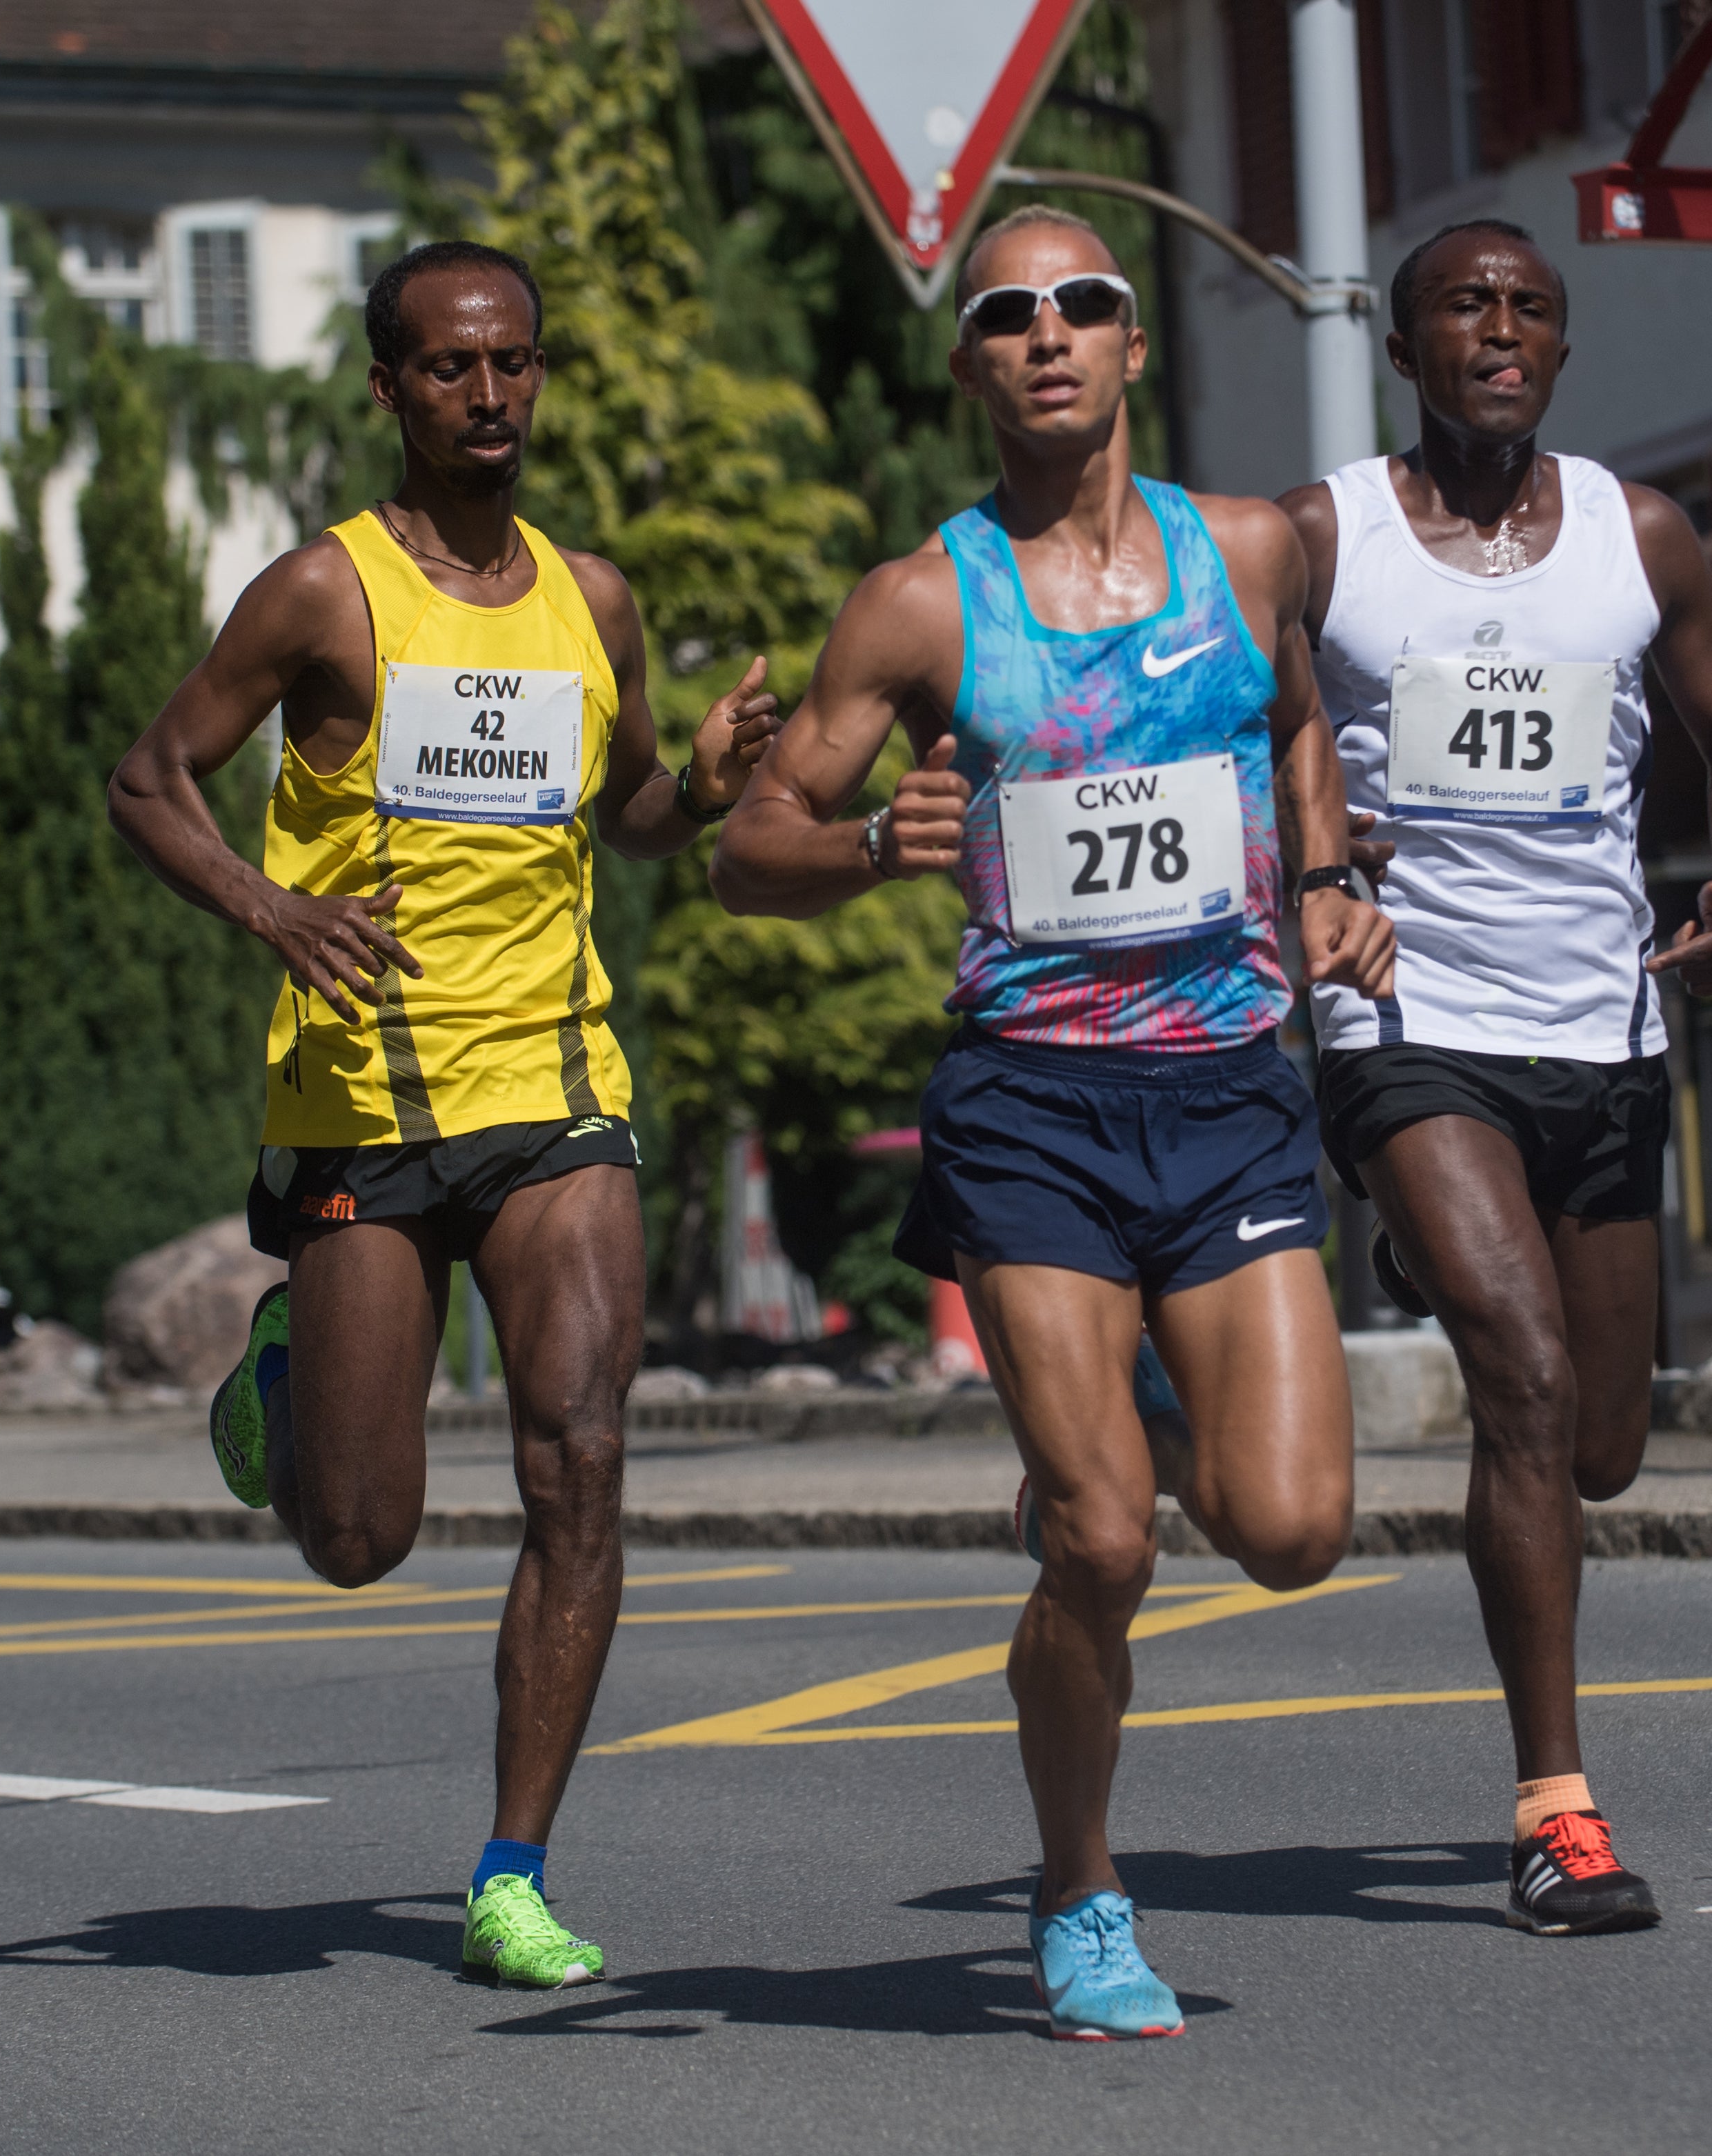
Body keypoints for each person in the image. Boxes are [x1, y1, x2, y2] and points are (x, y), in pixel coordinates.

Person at [710, 205, 1395, 2039]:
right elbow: (745, 849)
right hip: (1031, 1105)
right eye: (1004, 314)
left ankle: (1147, 1405)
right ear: (971, 366)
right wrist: (863, 844)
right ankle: (1081, 1885)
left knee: (1293, 1528)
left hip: (1234, 1084)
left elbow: (1302, 723)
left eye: (1081, 304)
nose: (1046, 335)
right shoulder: (922, 602)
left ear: (1131, 346)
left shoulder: (1246, 551)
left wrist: (1323, 873)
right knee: (1098, 1539)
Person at [108, 239, 779, 1991]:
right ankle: (286, 1367)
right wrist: (271, 909)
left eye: (516, 365)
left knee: (581, 1461)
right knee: (358, 1539)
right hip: (361, 1104)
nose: (490, 396)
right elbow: (148, 776)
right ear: (392, 388)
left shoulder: (594, 597)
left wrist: (696, 791)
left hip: (557, 1091)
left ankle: (510, 1872)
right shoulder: (320, 595)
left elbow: (625, 815)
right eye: (451, 368)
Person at [1277, 219, 1712, 1936]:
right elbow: (1241, 735)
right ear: (1405, 347)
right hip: (1408, 1026)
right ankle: (1555, 1812)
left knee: (1602, 1446)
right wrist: (1319, 869)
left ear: (1558, 351)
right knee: (1521, 1374)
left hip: (1601, 1031)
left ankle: (1433, 1250)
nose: (1497, 330)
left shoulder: (1637, 537)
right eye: (1462, 307)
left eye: (1528, 310)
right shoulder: (1318, 539)